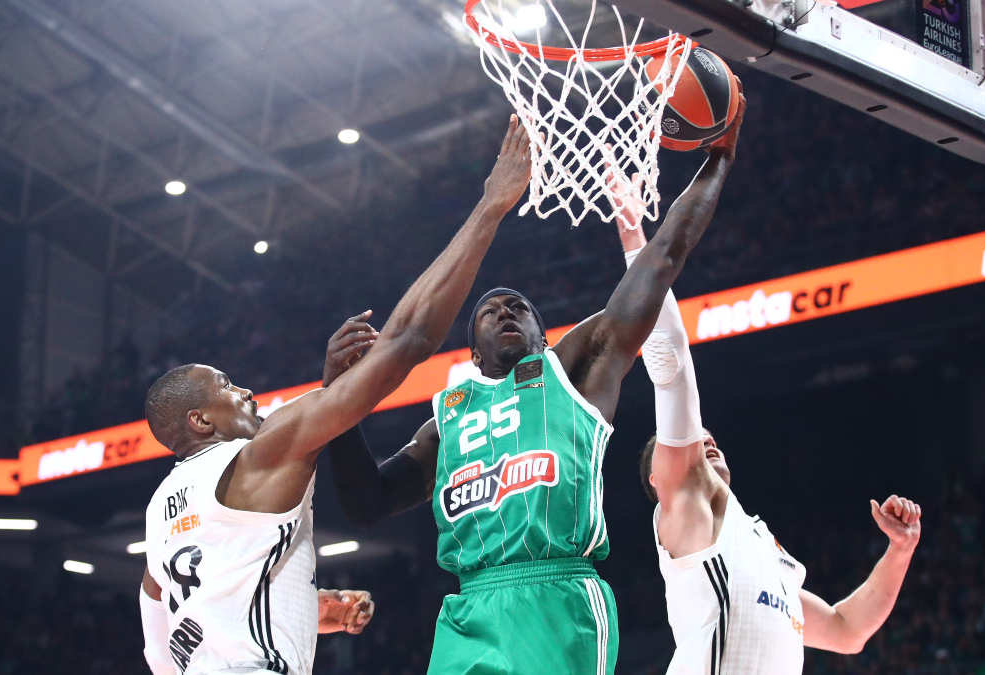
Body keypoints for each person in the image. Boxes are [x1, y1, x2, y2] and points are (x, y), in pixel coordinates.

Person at [320, 89, 746, 675]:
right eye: (489, 310)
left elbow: (664, 257)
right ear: (473, 351)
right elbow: (365, 502)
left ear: (544, 339)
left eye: (519, 307)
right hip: (468, 610)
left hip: (556, 598)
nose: (505, 310)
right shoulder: (448, 417)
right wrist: (337, 400)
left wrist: (719, 159)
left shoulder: (574, 372)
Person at [137, 115, 535, 675]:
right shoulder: (261, 454)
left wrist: (303, 610)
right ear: (200, 421)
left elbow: (158, 625)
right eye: (226, 386)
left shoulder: (161, 509)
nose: (245, 391)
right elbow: (409, 341)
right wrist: (491, 207)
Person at [613, 202, 922, 674]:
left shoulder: (764, 550)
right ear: (661, 477)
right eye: (692, 440)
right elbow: (672, 366)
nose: (705, 441)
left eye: (709, 437)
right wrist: (635, 239)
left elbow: (847, 630)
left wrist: (900, 551)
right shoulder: (688, 505)